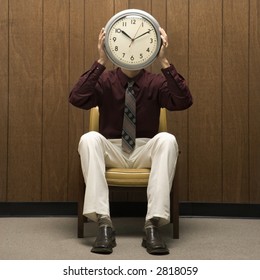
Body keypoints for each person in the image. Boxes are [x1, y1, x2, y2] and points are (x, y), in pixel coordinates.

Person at [69, 27, 193, 255]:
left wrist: (164, 61)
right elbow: (77, 97)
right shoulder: (105, 81)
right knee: (89, 139)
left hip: (145, 149)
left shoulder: (156, 82)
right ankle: (104, 223)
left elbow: (183, 101)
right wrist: (101, 60)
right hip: (113, 149)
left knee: (167, 139)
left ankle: (153, 225)